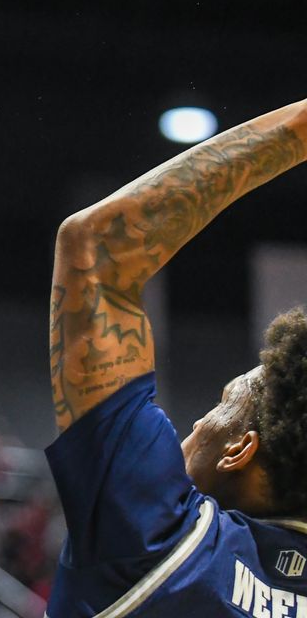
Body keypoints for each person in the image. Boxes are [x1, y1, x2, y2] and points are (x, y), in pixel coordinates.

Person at [47, 98, 307, 616]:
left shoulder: (166, 544)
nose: (191, 427)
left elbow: (97, 247)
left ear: (239, 451)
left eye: (219, 405)